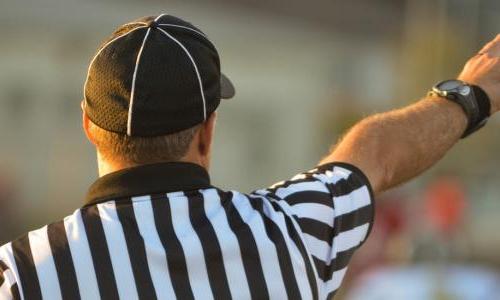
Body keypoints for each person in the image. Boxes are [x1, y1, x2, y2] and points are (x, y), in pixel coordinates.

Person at [0, 13, 499, 300]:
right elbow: (376, 156)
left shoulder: (23, 275)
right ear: (208, 129)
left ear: (88, 126)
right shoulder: (290, 234)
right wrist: (470, 96)